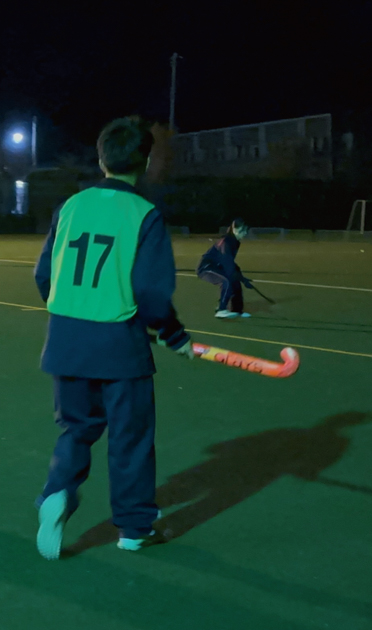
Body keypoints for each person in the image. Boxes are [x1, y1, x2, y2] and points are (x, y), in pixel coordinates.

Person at [32, 117, 193, 560]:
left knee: (76, 429)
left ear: (100, 158)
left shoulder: (72, 205)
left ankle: (57, 493)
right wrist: (172, 333)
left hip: (65, 340)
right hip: (120, 347)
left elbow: (45, 275)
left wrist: (74, 314)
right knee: (131, 437)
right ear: (144, 161)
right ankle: (135, 528)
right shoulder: (144, 214)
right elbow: (151, 292)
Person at [197, 218, 252, 319]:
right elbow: (227, 262)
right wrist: (236, 275)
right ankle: (221, 310)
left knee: (235, 282)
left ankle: (237, 310)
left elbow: (231, 262)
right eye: (243, 230)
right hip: (207, 268)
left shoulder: (235, 241)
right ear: (235, 229)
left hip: (218, 267)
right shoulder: (226, 241)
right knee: (226, 281)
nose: (245, 233)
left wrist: (242, 279)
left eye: (246, 231)